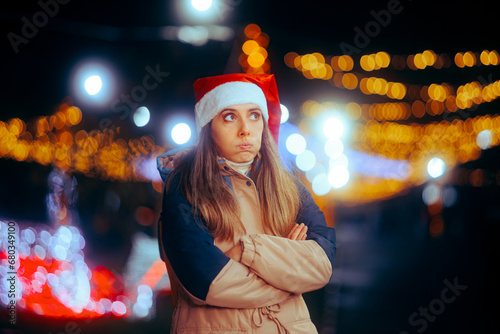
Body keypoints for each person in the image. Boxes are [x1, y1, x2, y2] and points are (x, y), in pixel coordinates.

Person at [156, 73, 336, 333]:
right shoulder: (185, 185)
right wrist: (288, 272)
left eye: (254, 115)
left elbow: (322, 265)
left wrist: (249, 249)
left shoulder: (287, 185)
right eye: (230, 116)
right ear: (208, 125)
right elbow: (208, 283)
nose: (245, 130)